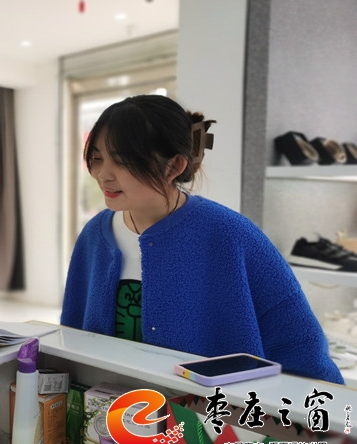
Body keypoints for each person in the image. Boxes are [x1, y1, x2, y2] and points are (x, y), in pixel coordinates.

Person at [61, 94, 343, 385]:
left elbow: (300, 344)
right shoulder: (94, 235)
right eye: (97, 158)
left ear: (173, 166)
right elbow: (71, 335)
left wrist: (327, 408)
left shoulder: (232, 235)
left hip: (210, 410)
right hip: (107, 407)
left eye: (122, 161)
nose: (102, 174)